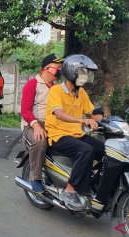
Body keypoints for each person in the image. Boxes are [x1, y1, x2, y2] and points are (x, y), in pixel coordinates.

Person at [45, 54, 105, 211]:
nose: (85, 76)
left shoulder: (81, 93)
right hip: (58, 135)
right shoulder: (56, 90)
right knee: (86, 150)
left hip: (77, 134)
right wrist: (82, 121)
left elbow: (93, 113)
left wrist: (106, 121)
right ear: (72, 72)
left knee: (105, 151)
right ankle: (69, 190)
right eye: (83, 72)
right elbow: (58, 113)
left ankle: (92, 183)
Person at [21, 53, 64, 193]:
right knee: (40, 141)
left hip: (54, 125)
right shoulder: (32, 84)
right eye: (57, 66)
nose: (60, 69)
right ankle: (35, 178)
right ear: (46, 68)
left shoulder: (58, 87)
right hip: (33, 124)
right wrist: (36, 126)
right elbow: (25, 110)